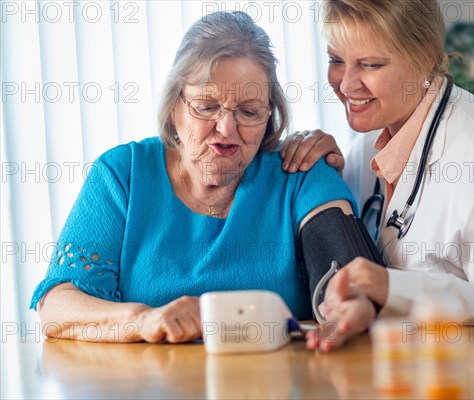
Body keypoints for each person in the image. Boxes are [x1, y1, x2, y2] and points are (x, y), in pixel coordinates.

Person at [281, 0, 474, 385]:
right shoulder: (372, 144)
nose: (346, 84)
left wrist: (395, 290)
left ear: (426, 57)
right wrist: (324, 166)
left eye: (371, 65)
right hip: (440, 374)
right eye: (336, 59)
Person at [30, 11, 356, 344]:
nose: (227, 129)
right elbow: (56, 306)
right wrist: (141, 320)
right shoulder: (123, 174)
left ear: (270, 117)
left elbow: (350, 279)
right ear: (174, 106)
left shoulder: (299, 169)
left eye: (249, 111)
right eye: (206, 106)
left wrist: (345, 310)